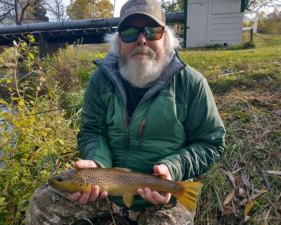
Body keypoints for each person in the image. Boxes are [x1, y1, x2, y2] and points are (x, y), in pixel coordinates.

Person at [26, 0, 226, 224]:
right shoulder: (100, 80)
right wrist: (96, 163)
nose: (141, 39)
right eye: (130, 32)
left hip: (166, 194)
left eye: (152, 31)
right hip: (105, 190)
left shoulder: (191, 83)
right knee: (42, 202)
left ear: (167, 38)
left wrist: (173, 169)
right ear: (118, 41)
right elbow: (92, 131)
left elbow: (211, 143)